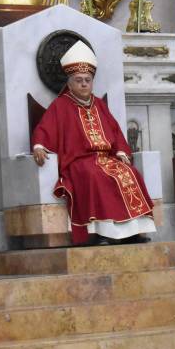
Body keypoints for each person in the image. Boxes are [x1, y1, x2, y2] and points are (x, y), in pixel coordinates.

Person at [32, 41, 156, 246]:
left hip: (106, 158)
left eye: (87, 80)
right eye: (79, 80)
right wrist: (38, 146)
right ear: (69, 83)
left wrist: (121, 151)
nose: (83, 84)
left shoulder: (99, 104)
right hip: (79, 161)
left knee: (130, 172)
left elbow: (115, 131)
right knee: (95, 175)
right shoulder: (61, 105)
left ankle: (134, 231)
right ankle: (103, 233)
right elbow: (44, 129)